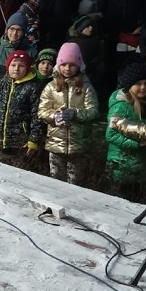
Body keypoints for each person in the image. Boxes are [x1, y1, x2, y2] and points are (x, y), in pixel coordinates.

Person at [37, 42, 99, 185]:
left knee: (75, 184)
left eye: (72, 65)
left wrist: (75, 114)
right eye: (64, 64)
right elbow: (42, 111)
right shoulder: (51, 87)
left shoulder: (86, 87)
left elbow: (93, 111)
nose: (67, 69)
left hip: (78, 145)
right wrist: (54, 116)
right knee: (56, 181)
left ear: (79, 65)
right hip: (55, 143)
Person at [0, 52, 43, 167]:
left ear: (27, 68)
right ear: (8, 66)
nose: (17, 69)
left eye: (21, 66)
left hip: (20, 145)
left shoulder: (33, 88)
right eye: (13, 65)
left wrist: (33, 140)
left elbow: (37, 116)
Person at [105, 61, 146, 200]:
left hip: (140, 166)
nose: (143, 87)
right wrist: (138, 144)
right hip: (121, 166)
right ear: (129, 85)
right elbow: (111, 135)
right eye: (138, 84)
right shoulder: (120, 107)